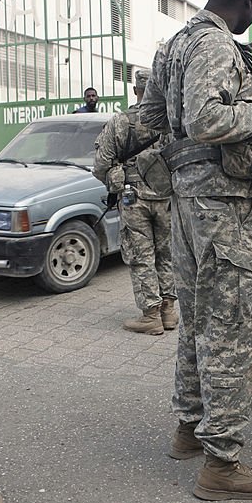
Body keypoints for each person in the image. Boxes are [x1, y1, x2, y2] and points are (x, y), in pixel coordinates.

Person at [140, 0, 252, 500]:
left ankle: (189, 427)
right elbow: (207, 119)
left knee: (198, 321)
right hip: (227, 207)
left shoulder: (173, 47)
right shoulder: (215, 45)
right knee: (232, 327)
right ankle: (222, 464)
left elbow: (150, 120)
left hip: (189, 205)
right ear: (250, 1)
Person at [93, 69, 177, 335]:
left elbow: (101, 165)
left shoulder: (122, 122)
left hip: (134, 198)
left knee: (141, 256)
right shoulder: (172, 121)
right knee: (167, 254)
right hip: (166, 197)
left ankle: (151, 315)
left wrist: (116, 176)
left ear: (135, 90)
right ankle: (169, 312)